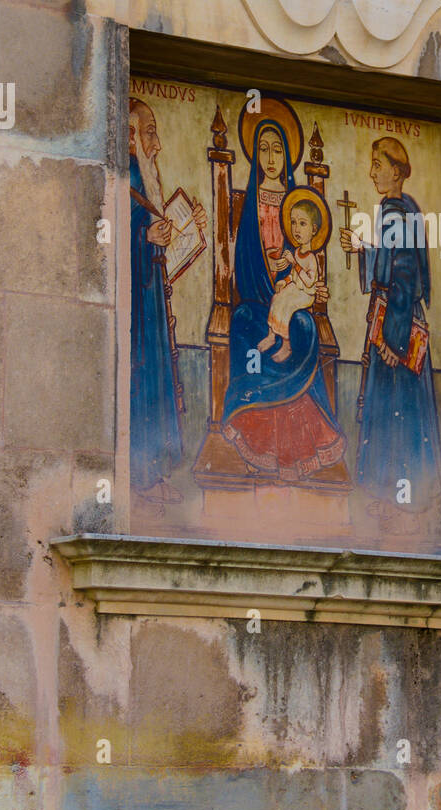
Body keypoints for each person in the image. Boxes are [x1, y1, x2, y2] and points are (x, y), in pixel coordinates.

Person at [221, 120, 346, 483]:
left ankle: (301, 448)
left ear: (288, 155)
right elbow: (244, 256)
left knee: (304, 326)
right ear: (255, 154)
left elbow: (308, 255)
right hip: (258, 297)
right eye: (264, 148)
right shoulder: (252, 200)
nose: (271, 157)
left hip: (291, 301)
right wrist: (268, 269)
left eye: (278, 149)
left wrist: (292, 277)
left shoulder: (297, 203)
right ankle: (254, 439)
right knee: (244, 319)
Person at [340, 137, 441, 506]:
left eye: (378, 166)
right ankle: (403, 497)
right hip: (395, 319)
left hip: (396, 326)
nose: (372, 173)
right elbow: (391, 261)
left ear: (397, 172)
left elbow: (402, 277)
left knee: (395, 411)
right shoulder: (403, 209)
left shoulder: (396, 213)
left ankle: (393, 498)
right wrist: (364, 249)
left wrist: (390, 342)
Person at [129, 98, 206, 505]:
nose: (156, 144)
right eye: (151, 132)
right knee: (142, 380)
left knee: (157, 379)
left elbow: (159, 236)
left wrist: (190, 228)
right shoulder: (123, 177)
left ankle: (154, 476)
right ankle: (137, 481)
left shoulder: (146, 179)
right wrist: (143, 238)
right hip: (136, 311)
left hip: (153, 299)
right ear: (131, 136)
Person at [256, 198, 322, 364]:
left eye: (302, 223)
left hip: (306, 294)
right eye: (293, 223)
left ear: (314, 229)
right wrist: (284, 282)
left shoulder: (311, 258)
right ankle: (271, 336)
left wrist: (294, 263)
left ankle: (286, 345)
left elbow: (308, 282)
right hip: (295, 288)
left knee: (287, 306)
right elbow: (293, 276)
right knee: (277, 298)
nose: (296, 229)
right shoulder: (298, 251)